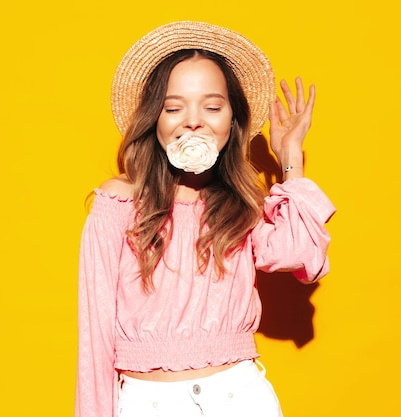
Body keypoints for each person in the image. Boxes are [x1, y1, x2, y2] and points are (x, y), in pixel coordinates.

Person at [75, 21, 335, 417]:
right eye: (173, 107)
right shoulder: (119, 204)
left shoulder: (243, 207)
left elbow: (304, 258)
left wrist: (290, 158)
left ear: (232, 121)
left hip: (241, 399)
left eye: (212, 107)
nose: (193, 120)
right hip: (149, 404)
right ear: (155, 121)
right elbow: (94, 339)